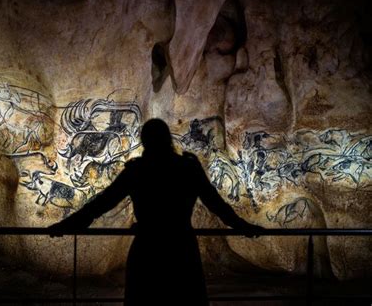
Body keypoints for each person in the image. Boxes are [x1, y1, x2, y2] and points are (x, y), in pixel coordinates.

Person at [48, 118, 263, 305]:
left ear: (144, 141)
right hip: (181, 249)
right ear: (168, 139)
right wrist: (243, 226)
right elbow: (217, 205)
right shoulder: (187, 168)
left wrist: (67, 225)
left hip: (148, 249)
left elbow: (100, 204)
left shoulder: (137, 171)